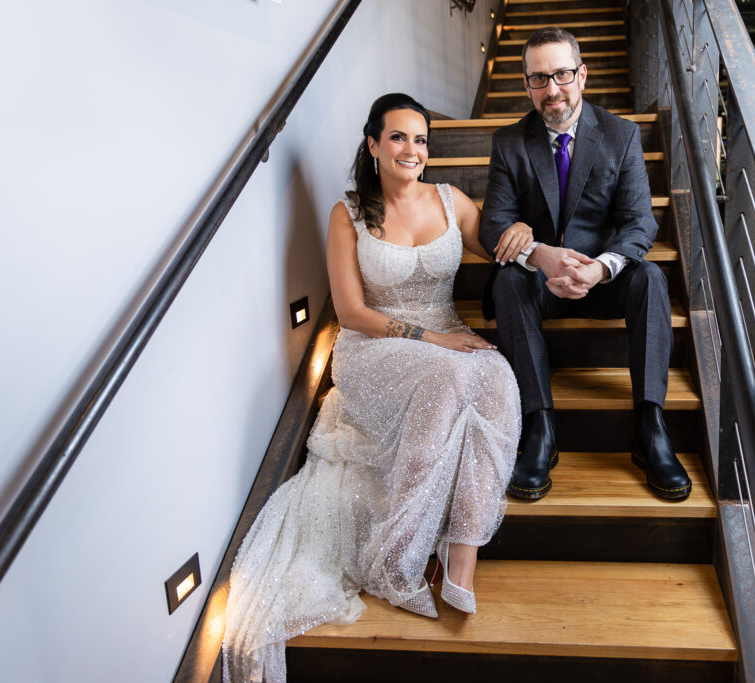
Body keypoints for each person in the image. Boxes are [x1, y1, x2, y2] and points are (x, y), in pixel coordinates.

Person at [222, 93, 520, 683]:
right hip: (373, 347)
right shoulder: (348, 214)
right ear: (374, 144)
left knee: (497, 376)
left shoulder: (451, 200)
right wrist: (433, 342)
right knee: (448, 373)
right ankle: (398, 553)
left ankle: (463, 557)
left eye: (422, 140)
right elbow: (353, 312)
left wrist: (526, 235)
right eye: (400, 138)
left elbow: (504, 245)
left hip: (448, 333)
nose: (413, 150)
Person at [479, 27, 691, 502]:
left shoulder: (621, 134)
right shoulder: (510, 141)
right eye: (539, 78)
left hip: (602, 279)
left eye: (561, 74)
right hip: (539, 283)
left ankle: (650, 426)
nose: (552, 89)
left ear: (583, 75)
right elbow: (492, 223)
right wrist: (539, 255)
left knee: (652, 276)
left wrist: (599, 268)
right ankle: (539, 428)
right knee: (508, 284)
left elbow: (639, 223)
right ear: (526, 84)